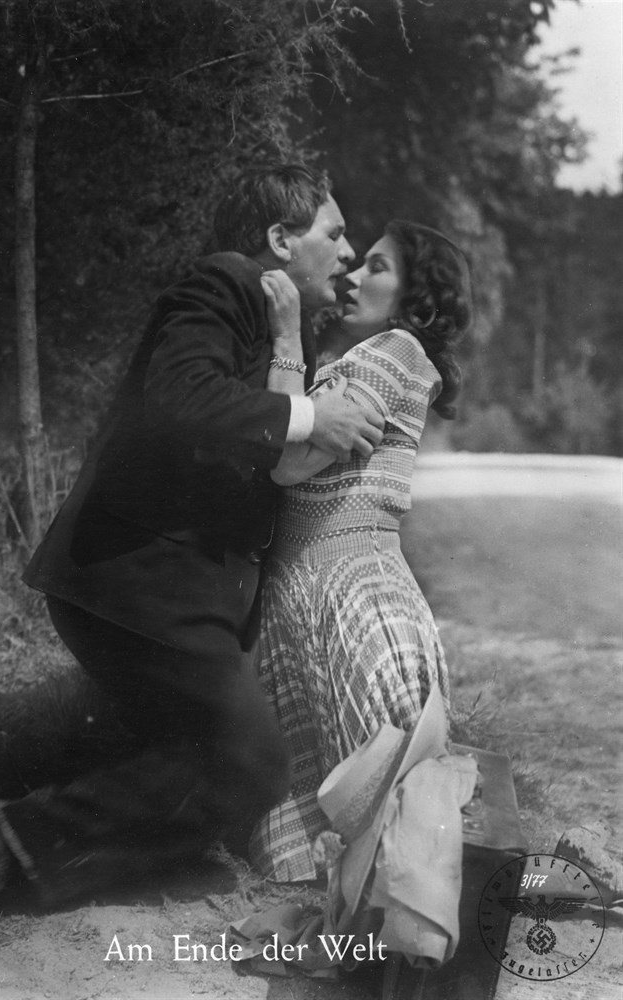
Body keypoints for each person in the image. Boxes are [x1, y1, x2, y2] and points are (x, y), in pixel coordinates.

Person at [0, 164, 385, 945]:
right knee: (250, 760)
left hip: (166, 589)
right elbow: (179, 399)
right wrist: (312, 414)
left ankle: (38, 821)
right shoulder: (225, 282)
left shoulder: (277, 318)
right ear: (279, 240)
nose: (346, 253)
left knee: (204, 757)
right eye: (334, 234)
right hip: (135, 579)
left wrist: (309, 410)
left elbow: (263, 455)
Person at [248, 220, 473, 882]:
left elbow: (286, 463)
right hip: (316, 590)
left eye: (376, 267)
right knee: (352, 845)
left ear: (414, 297)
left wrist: (288, 338)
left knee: (396, 831)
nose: (352, 276)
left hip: (354, 596)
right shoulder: (369, 357)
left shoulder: (395, 349)